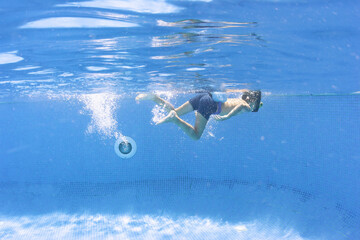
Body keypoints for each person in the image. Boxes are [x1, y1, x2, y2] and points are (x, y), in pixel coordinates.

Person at [136, 89, 262, 140]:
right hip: (211, 104)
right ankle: (175, 120)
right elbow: (242, 106)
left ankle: (154, 97)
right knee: (196, 136)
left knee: (174, 110)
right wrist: (226, 117)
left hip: (205, 96)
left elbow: (241, 103)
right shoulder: (245, 106)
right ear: (253, 101)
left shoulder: (238, 98)